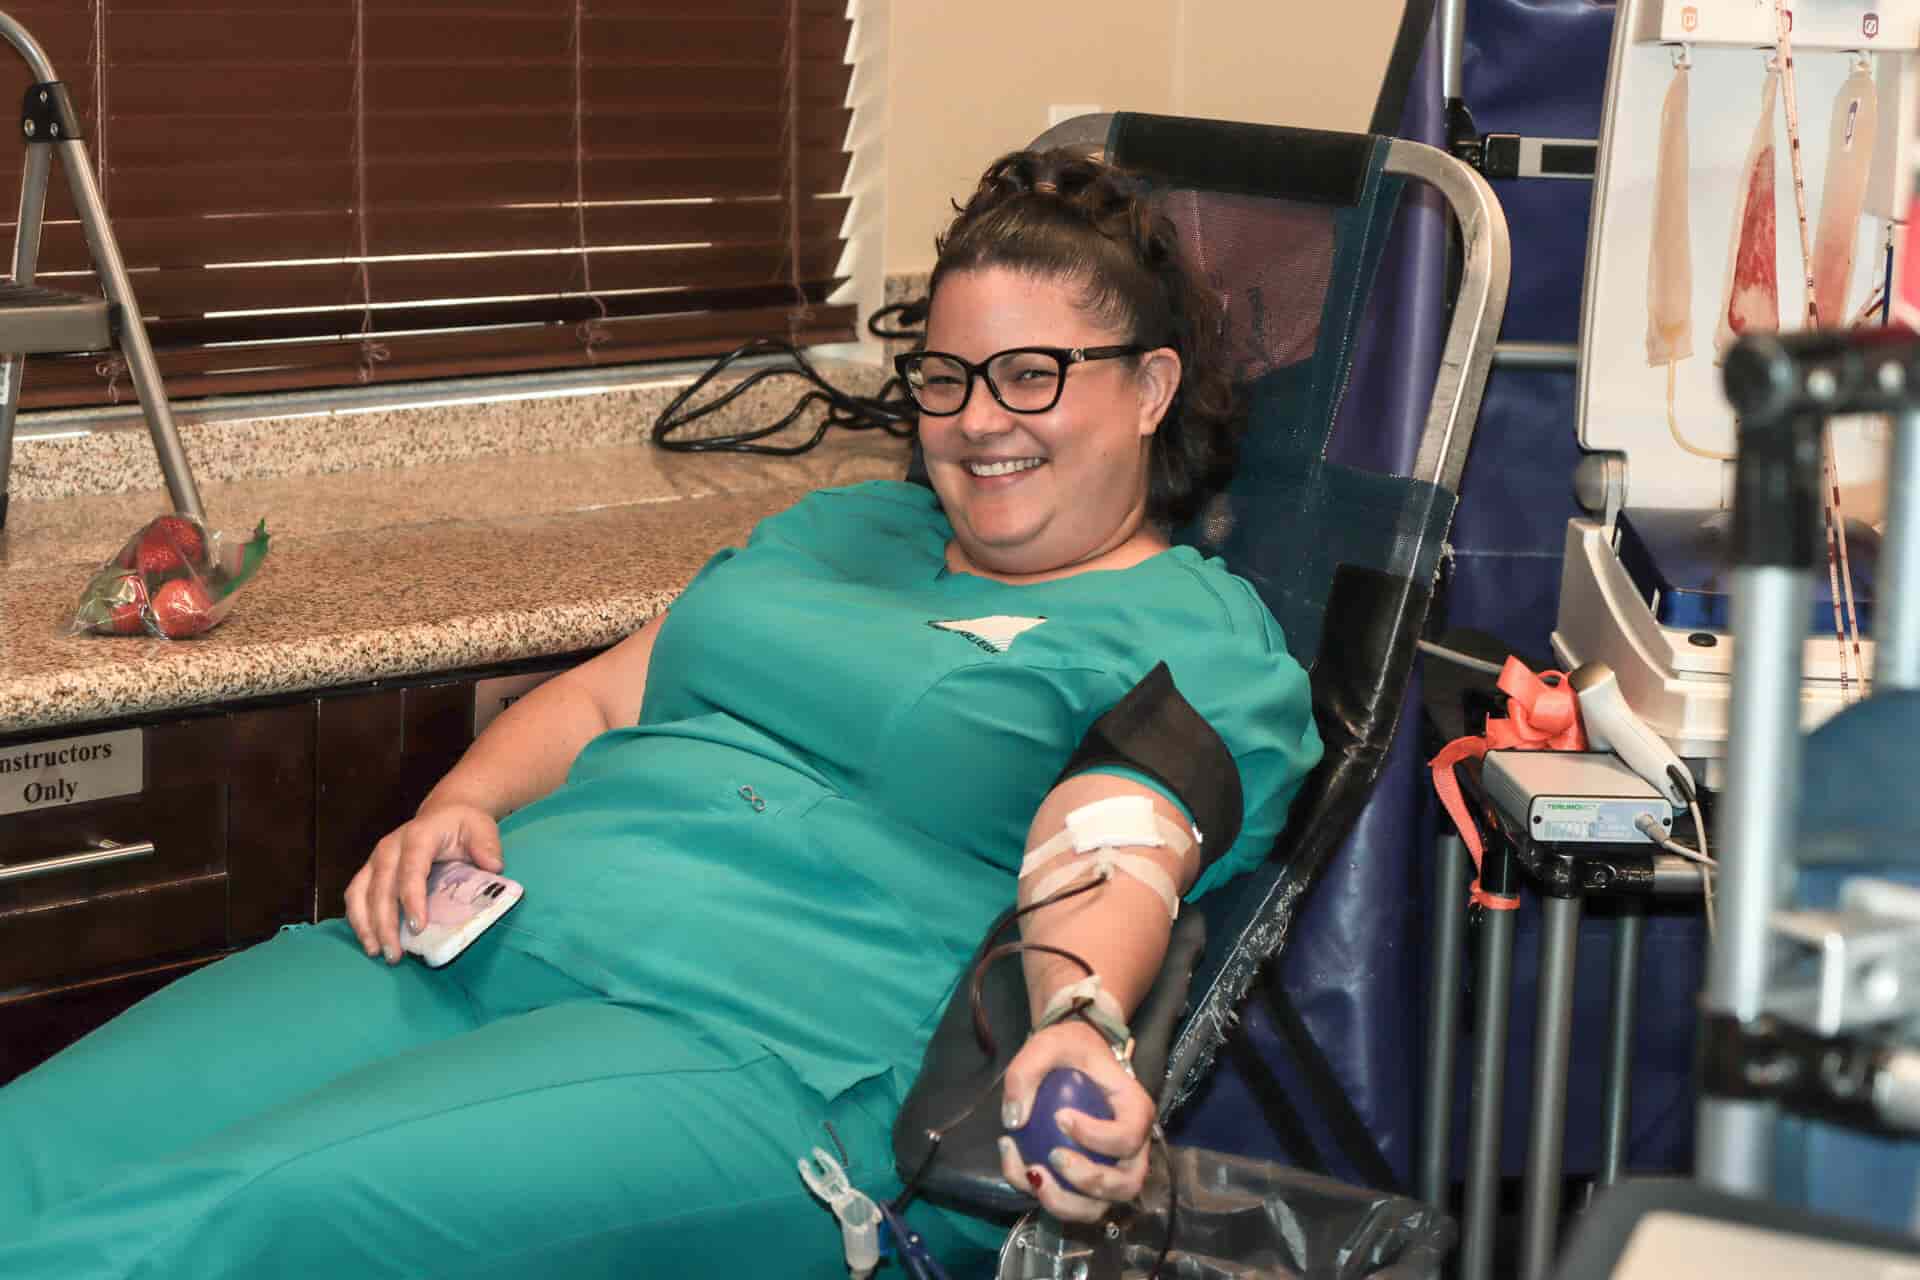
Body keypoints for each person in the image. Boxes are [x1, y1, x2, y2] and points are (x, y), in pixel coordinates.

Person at [0, 148, 1321, 1278]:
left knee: (222, 1230)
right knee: (31, 1158)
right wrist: (458, 808)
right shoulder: (839, 527)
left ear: (1148, 390)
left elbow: (1115, 841)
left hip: (761, 1048)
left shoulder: (1190, 633)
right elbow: (605, 692)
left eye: (1033, 375)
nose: (980, 423)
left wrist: (1083, 1020)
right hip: (487, 940)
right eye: (945, 376)